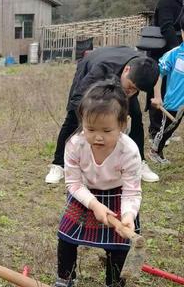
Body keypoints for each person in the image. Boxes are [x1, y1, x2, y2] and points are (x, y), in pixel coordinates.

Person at [43, 81, 141, 287]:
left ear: (122, 125)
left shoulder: (129, 151)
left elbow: (131, 191)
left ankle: (115, 286)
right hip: (85, 194)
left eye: (107, 131)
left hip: (117, 193)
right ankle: (64, 279)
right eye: (91, 129)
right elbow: (73, 183)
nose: (98, 137)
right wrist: (95, 205)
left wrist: (128, 216)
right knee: (66, 237)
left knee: (119, 243)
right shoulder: (75, 144)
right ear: (82, 123)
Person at [44, 46, 160, 184]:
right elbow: (78, 99)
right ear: (127, 70)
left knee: (136, 117)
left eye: (136, 89)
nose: (132, 91)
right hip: (92, 67)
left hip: (121, 71)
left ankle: (139, 162)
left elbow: (155, 77)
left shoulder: (143, 67)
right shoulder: (101, 68)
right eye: (130, 87)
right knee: (72, 119)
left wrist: (155, 97)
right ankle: (58, 164)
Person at [146, 0, 184, 141]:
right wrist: (178, 51)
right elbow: (167, 27)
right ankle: (155, 131)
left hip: (180, 55)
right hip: (164, 54)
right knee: (159, 89)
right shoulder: (166, 2)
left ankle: (167, 128)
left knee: (175, 91)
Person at [149, 14, 184, 164]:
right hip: (174, 102)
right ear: (182, 32)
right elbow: (159, 73)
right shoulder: (174, 54)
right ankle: (155, 151)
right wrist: (157, 96)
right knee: (169, 128)